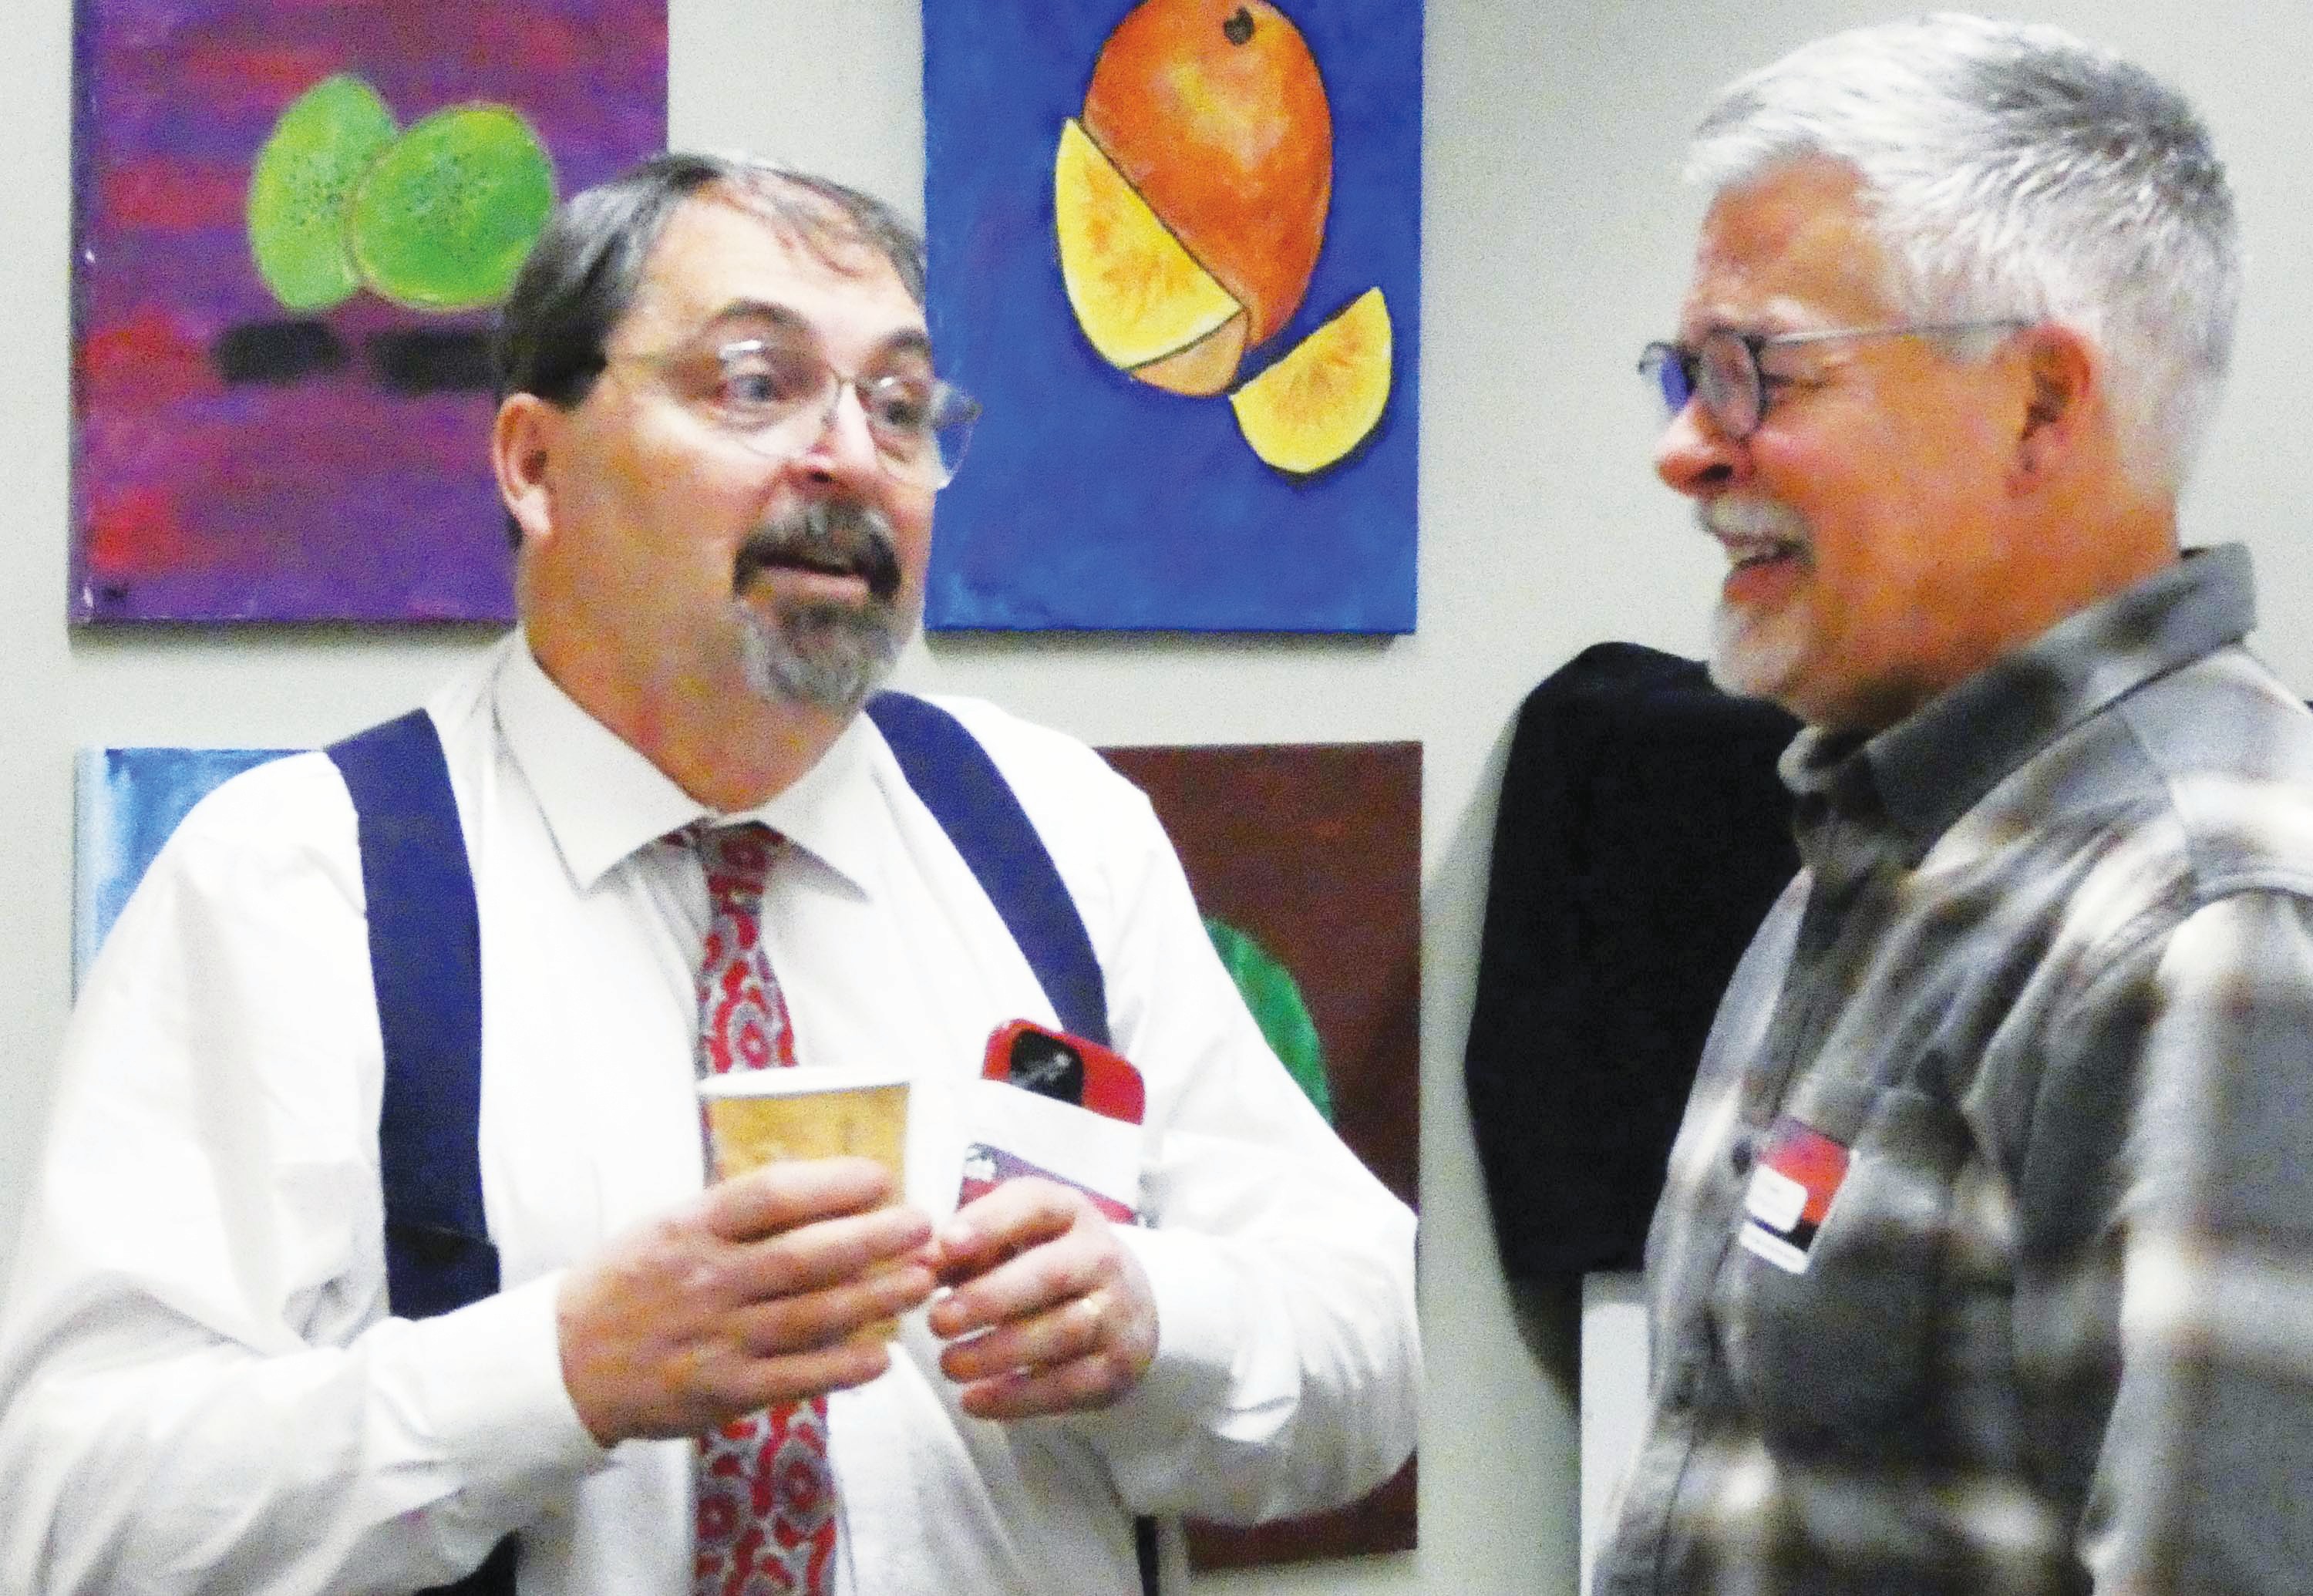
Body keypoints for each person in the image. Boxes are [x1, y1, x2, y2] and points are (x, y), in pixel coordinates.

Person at [0, 153, 1419, 1594]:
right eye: (756, 385)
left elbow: (1372, 1344)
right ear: (534, 465)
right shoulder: (299, 882)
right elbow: (77, 1515)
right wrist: (556, 1373)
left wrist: (1161, 1321)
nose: (850, 458)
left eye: (900, 406)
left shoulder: (1059, 831)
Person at [1596, 15, 2313, 1594]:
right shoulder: (1889, 841)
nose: (1686, 450)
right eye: (1685, 374)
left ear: (2042, 405)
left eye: (1757, 372)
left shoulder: (2207, 915)